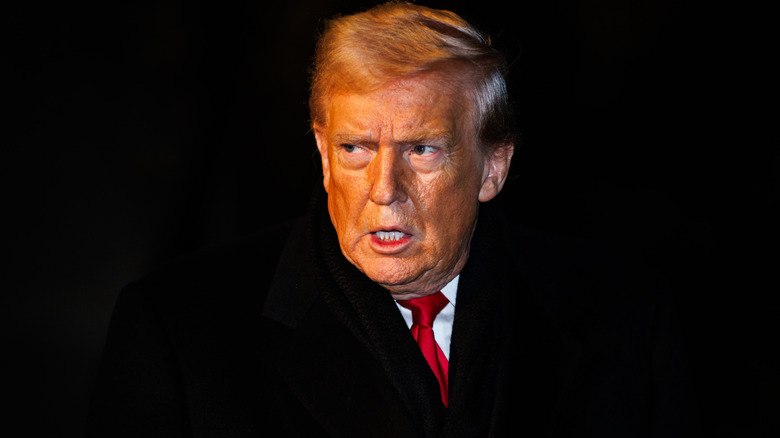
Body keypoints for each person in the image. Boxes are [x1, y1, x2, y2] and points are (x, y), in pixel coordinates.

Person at [88, 2, 697, 437]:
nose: (385, 191)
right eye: (356, 148)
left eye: (422, 149)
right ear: (323, 156)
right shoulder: (177, 330)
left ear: (493, 167)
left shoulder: (625, 317)